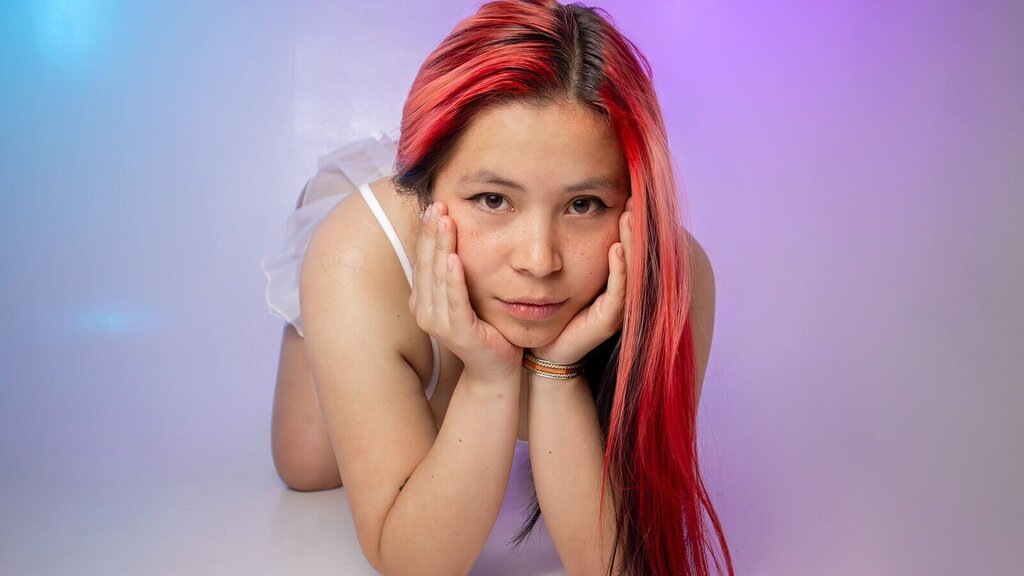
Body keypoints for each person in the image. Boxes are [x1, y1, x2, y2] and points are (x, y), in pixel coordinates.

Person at [261, 1, 733, 575]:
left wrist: (556, 370)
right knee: (307, 466)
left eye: (584, 204)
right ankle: (339, 214)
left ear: (635, 199)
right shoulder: (358, 254)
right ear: (427, 193)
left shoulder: (676, 273)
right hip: (374, 256)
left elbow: (617, 567)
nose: (539, 261)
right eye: (493, 200)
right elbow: (412, 563)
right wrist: (488, 379)